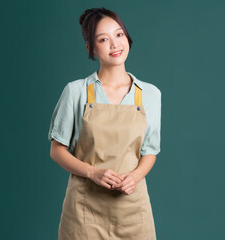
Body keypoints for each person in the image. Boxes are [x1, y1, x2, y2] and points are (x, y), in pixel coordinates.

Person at [48, 7, 161, 240]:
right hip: (84, 211)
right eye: (103, 39)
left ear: (127, 37)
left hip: (133, 210)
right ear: (91, 48)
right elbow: (57, 151)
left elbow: (150, 151)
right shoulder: (76, 91)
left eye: (119, 35)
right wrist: (93, 173)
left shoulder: (150, 94)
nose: (114, 44)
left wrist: (136, 176)